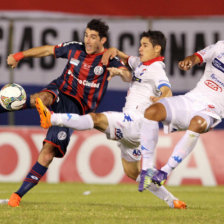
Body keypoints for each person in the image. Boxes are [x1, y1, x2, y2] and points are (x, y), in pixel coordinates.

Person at [35, 29, 187, 209]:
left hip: (135, 121)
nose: (140, 48)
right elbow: (123, 56)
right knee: (132, 173)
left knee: (96, 118)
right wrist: (113, 52)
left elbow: (166, 89)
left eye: (145, 45)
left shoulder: (156, 70)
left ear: (157, 49)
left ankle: (52, 118)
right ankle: (172, 201)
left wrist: (162, 98)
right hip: (137, 130)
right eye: (140, 44)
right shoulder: (141, 63)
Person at [6, 19, 129, 207]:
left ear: (103, 41)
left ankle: (17, 196)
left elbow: (129, 75)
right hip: (60, 90)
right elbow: (48, 50)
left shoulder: (109, 60)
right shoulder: (74, 48)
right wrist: (19, 55)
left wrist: (120, 73)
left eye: (93, 37)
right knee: (38, 99)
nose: (87, 40)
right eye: (86, 35)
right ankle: (42, 109)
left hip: (76, 108)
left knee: (48, 153)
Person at [138, 40, 224, 189]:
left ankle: (165, 171)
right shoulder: (220, 46)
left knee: (197, 123)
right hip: (193, 98)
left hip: (213, 108)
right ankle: (147, 168)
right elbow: (197, 56)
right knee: (152, 112)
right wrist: (188, 61)